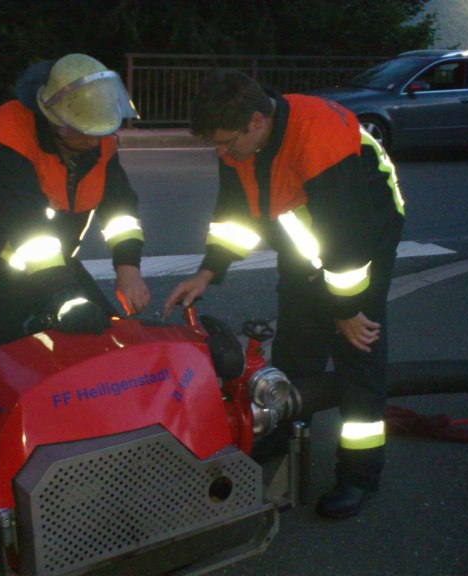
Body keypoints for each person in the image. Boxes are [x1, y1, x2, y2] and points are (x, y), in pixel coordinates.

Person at [162, 70, 405, 519]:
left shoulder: (319, 137)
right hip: (304, 240)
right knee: (296, 348)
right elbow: (233, 216)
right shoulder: (241, 141)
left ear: (256, 122)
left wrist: (347, 310)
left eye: (225, 143)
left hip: (364, 241)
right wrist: (208, 271)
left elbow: (348, 241)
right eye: (215, 145)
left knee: (358, 358)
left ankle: (359, 476)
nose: (221, 153)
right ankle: (286, 437)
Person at [0, 54, 150, 360]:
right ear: (56, 121)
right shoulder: (7, 140)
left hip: (48, 261)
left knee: (103, 338)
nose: (95, 142)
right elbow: (29, 231)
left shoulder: (98, 139)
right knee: (5, 358)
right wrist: (67, 299)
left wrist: (128, 268)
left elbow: (120, 209)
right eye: (86, 131)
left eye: (101, 131)